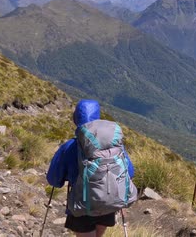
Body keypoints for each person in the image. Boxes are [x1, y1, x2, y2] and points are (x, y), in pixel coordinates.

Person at [47, 99, 135, 237]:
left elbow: (53, 180)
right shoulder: (114, 146)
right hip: (108, 202)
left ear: (76, 119)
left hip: (82, 207)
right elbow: (130, 172)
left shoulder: (69, 147)